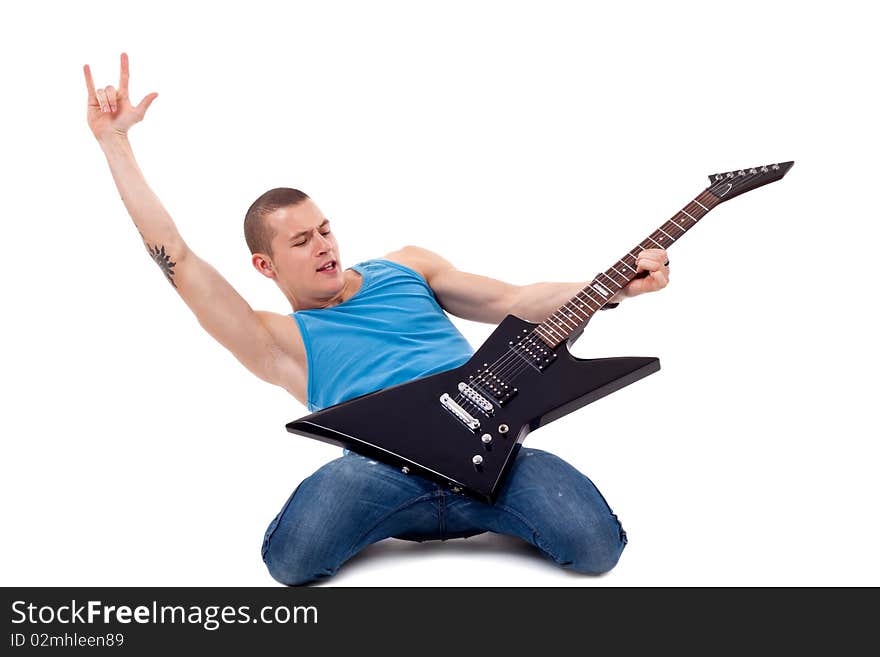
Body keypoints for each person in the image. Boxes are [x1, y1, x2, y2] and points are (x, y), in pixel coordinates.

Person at [84, 53, 671, 586]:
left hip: (489, 452)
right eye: (300, 242)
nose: (323, 246)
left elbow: (513, 300)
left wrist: (618, 287)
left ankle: (486, 512)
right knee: (289, 561)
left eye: (324, 230)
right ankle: (398, 520)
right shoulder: (277, 340)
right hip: (381, 474)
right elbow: (178, 259)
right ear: (265, 264)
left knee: (596, 548)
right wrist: (115, 142)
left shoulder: (406, 268)